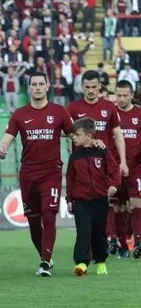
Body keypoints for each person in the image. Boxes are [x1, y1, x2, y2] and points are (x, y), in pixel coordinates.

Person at [0, 72, 74, 277]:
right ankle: (45, 255)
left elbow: (75, 134)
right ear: (29, 88)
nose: (38, 87)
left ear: (48, 86)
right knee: (32, 219)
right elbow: (7, 138)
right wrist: (2, 147)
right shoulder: (19, 114)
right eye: (34, 84)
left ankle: (44, 262)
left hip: (52, 171)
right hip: (28, 172)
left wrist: (93, 142)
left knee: (49, 215)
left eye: (42, 83)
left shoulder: (59, 112)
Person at [67, 70, 129, 258]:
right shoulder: (73, 107)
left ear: (100, 86)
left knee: (112, 207)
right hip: (81, 165)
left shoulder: (109, 107)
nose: (91, 91)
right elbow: (68, 132)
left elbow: (118, 134)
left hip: (103, 165)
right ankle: (90, 253)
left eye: (94, 87)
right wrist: (86, 140)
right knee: (86, 213)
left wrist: (123, 162)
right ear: (82, 87)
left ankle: (107, 245)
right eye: (87, 87)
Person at [66, 117, 120, 276]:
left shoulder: (102, 152)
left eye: (77, 134)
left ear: (88, 136)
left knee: (99, 233)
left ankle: (101, 262)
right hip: (81, 201)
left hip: (100, 200)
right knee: (83, 232)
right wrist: (69, 199)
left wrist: (114, 186)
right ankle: (81, 263)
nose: (74, 137)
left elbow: (114, 171)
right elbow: (70, 179)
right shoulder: (74, 157)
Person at [113, 80, 141, 259]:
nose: (122, 99)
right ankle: (122, 245)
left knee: (137, 203)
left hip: (137, 167)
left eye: (125, 95)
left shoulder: (139, 114)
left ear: (131, 95)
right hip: (115, 168)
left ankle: (138, 242)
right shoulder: (111, 114)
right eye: (119, 95)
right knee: (118, 207)